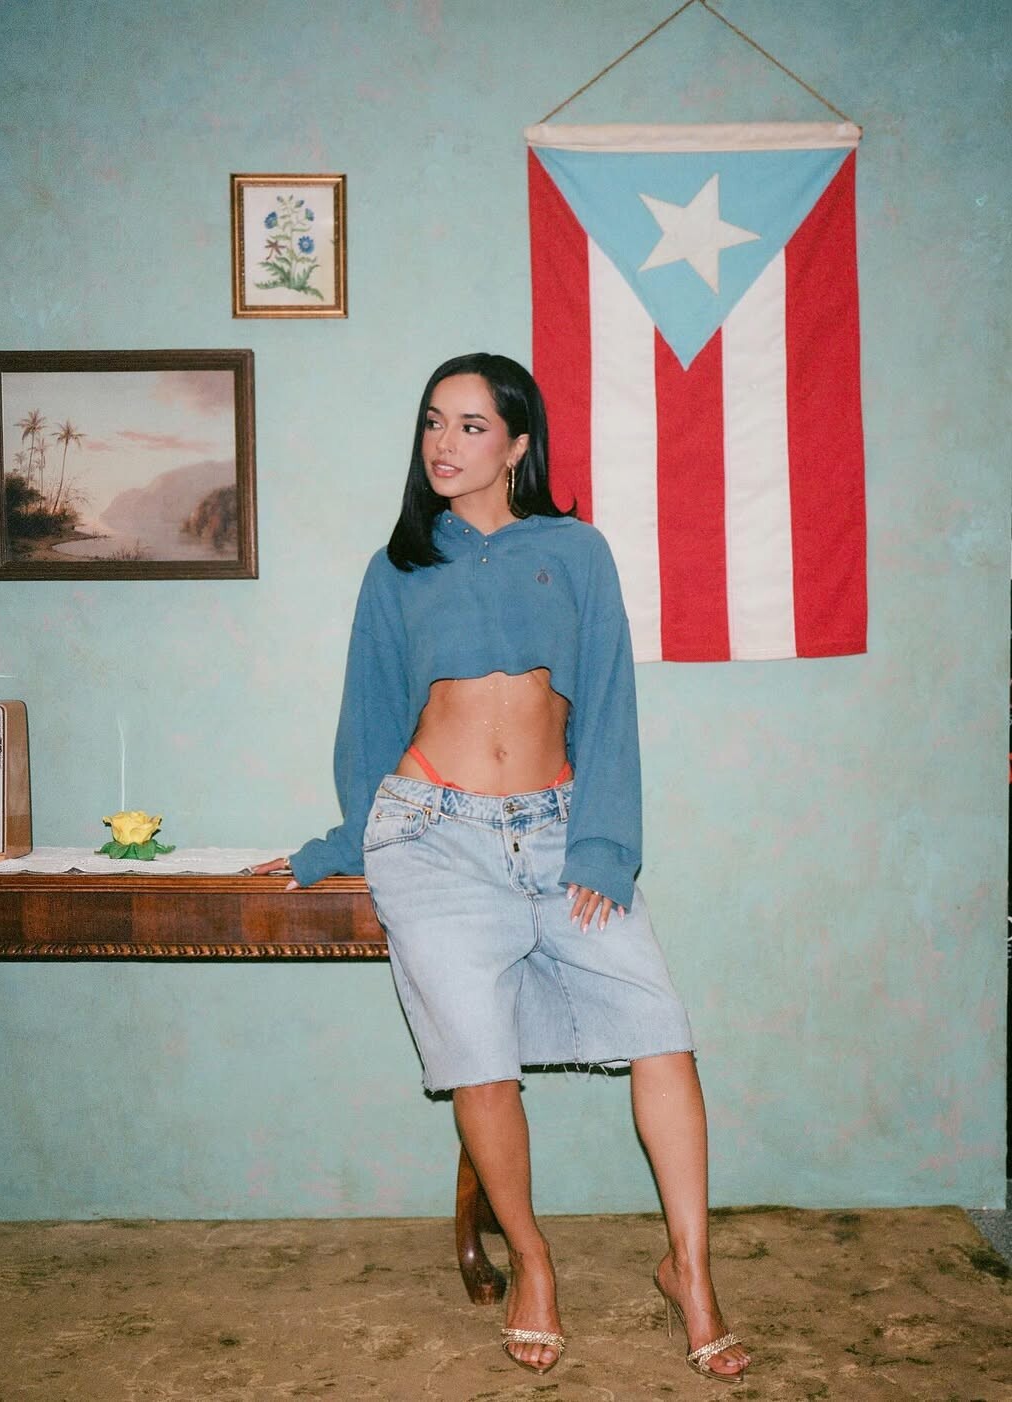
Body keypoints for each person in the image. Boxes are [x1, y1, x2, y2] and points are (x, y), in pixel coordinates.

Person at [253, 353, 751, 1382]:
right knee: (477, 1058)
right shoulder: (398, 566)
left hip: (561, 832)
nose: (445, 443)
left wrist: (606, 845)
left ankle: (692, 1271)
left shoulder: (575, 551)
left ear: (519, 444)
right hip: (432, 837)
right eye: (434, 422)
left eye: (472, 426)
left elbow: (607, 704)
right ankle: (532, 1261)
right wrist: (347, 841)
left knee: (662, 1031)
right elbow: (368, 718)